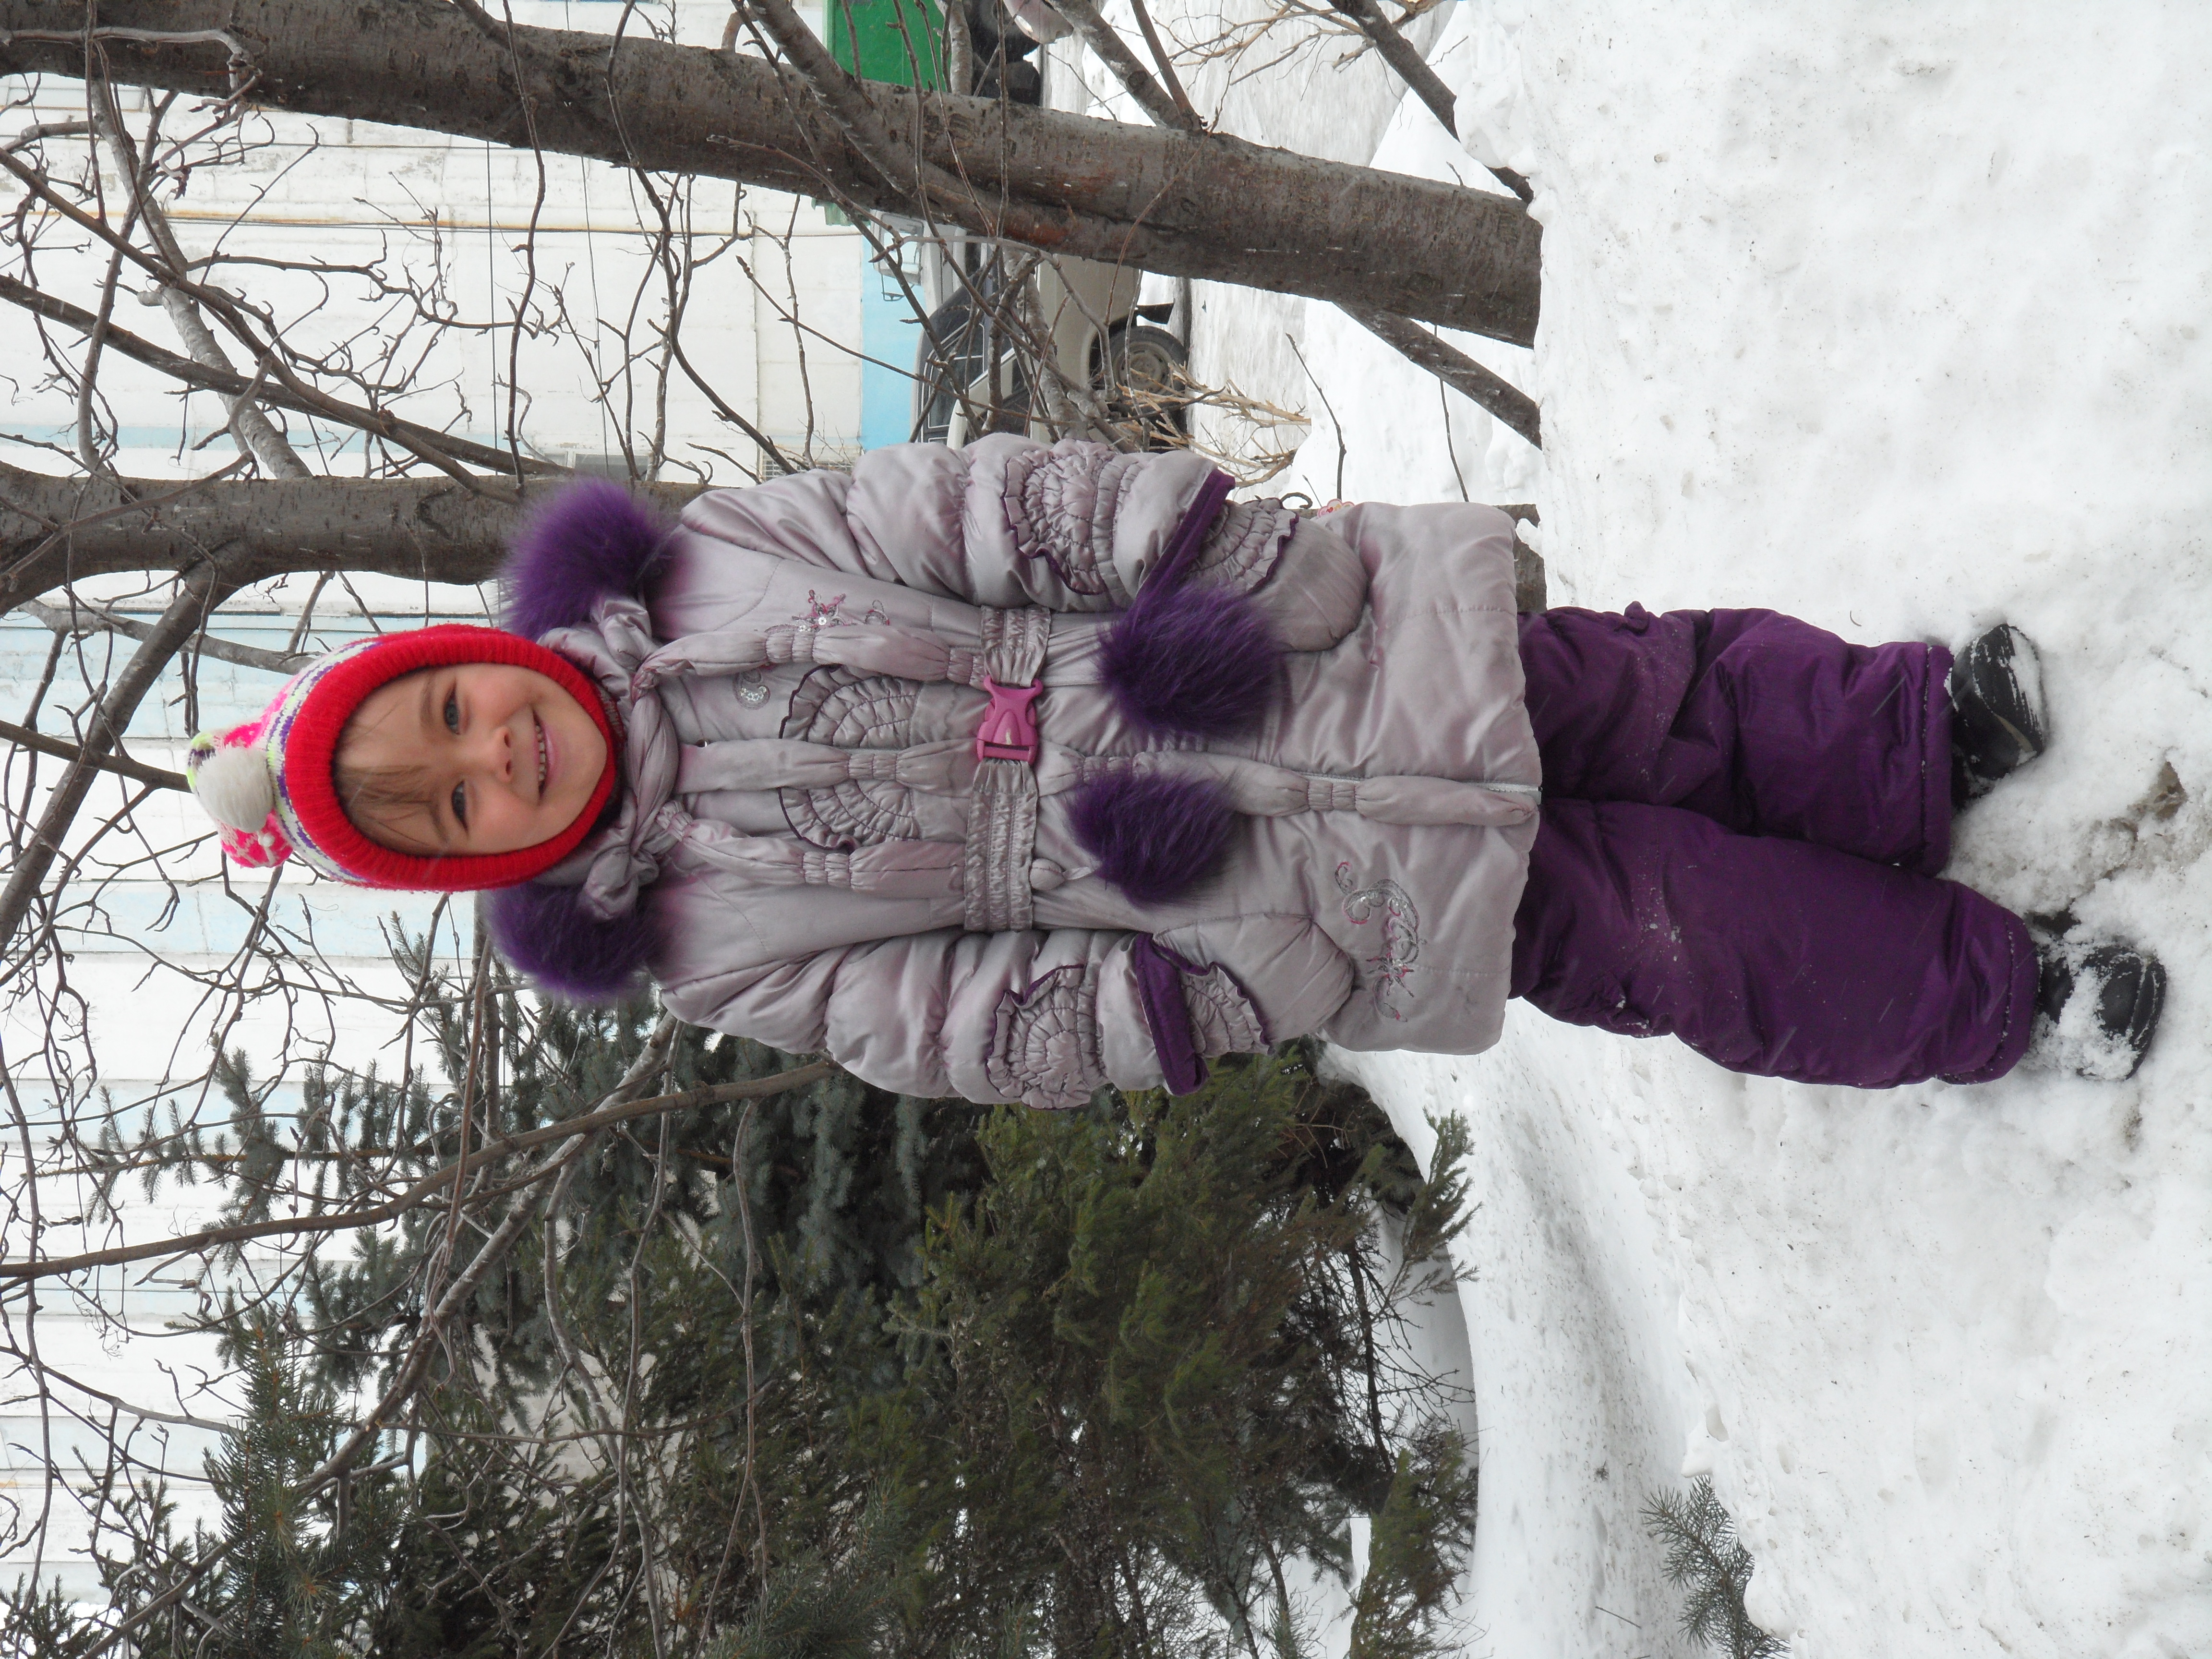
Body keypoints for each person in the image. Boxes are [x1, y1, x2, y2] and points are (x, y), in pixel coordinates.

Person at [186, 439, 2165, 1103]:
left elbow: (984, 507)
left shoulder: (719, 559)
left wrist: (1210, 552)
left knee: (1667, 693)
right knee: (1678, 933)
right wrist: (1182, 1000)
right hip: (1268, 895)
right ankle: (2000, 1001)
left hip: (1310, 651)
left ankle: (1910, 741)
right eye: (454, 805)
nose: (492, 755)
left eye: (448, 714)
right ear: (485, 863)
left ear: (472, 657)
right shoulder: (710, 946)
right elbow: (957, 1025)